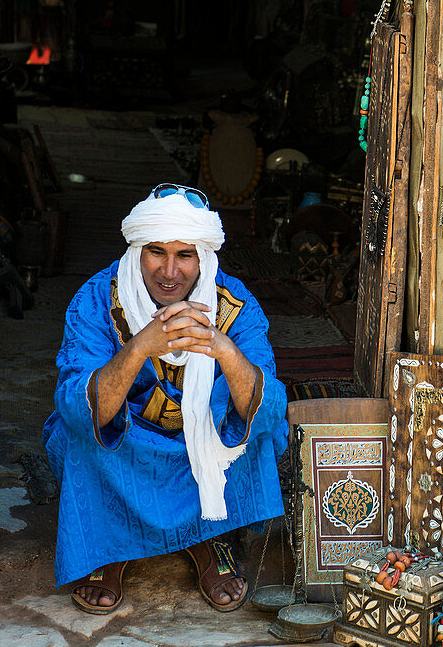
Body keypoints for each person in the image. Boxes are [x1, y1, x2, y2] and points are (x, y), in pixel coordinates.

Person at [42, 184, 288, 614]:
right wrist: (139, 347)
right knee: (78, 427)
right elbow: (82, 409)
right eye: (157, 252)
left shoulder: (234, 305)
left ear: (204, 258)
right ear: (137, 250)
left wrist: (223, 349)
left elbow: (267, 409)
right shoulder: (98, 299)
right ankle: (110, 547)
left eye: (185, 255)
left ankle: (207, 538)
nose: (169, 271)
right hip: (128, 447)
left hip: (201, 446)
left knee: (262, 423)